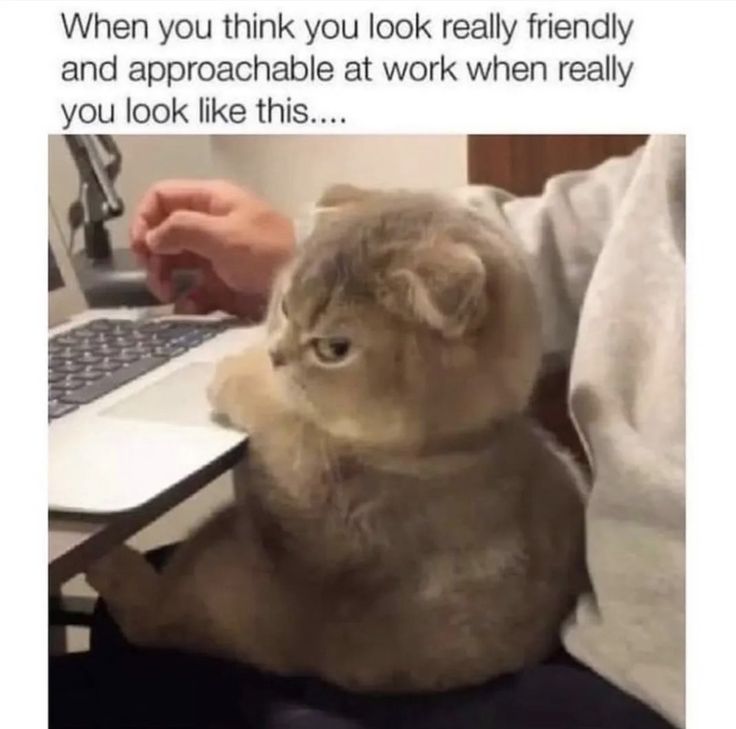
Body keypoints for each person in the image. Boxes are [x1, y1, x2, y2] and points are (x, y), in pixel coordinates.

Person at [50, 135, 684, 729]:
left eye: (327, 347)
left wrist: (268, 396)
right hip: (581, 611)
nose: (279, 355)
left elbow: (301, 514)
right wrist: (309, 249)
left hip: (648, 684)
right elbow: (583, 233)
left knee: (106, 671)